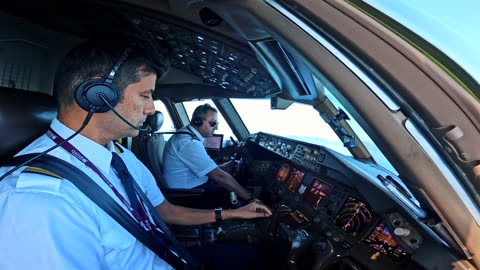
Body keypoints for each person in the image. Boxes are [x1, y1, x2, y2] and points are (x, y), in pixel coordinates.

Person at [0, 40, 272, 270]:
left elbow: (166, 211)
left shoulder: (117, 155)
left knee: (264, 255)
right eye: (145, 95)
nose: (152, 109)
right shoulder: (40, 202)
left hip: (171, 256)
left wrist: (235, 214)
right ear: (97, 95)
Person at [162, 103, 253, 204]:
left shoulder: (186, 134)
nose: (216, 127)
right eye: (213, 123)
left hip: (192, 187)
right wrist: (250, 198)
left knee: (233, 186)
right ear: (198, 121)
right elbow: (219, 176)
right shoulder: (188, 143)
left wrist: (222, 167)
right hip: (188, 194)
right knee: (235, 193)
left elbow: (206, 169)